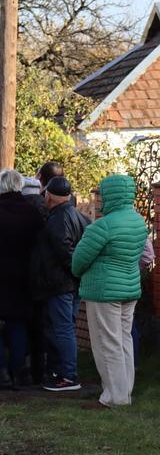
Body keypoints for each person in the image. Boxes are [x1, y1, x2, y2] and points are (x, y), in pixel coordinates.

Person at [72, 174, 148, 407]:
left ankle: (114, 396)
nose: (99, 200)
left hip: (103, 291)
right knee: (124, 340)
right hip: (129, 288)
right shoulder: (138, 222)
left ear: (111, 196)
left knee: (107, 342)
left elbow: (78, 262)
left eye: (101, 195)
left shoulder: (103, 225)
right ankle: (125, 391)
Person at [0, 169, 44, 388]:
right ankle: (19, 370)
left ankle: (0, 369)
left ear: (0, 187)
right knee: (18, 323)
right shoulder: (33, 213)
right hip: (24, 275)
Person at [30, 176, 90, 392]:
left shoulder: (57, 219)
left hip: (59, 284)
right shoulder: (80, 217)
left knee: (62, 329)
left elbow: (65, 251)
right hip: (70, 283)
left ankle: (68, 375)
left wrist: (73, 270)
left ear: (49, 195)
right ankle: (60, 371)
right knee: (65, 327)